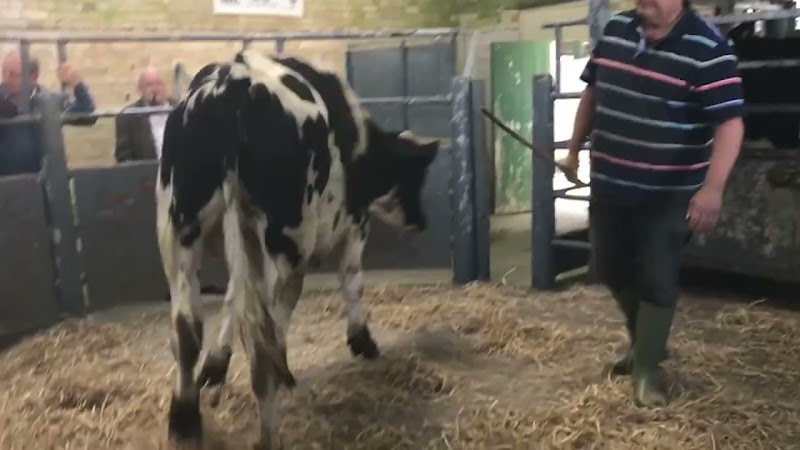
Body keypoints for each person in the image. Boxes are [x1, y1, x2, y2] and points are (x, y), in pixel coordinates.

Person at [559, 0, 745, 408]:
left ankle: (646, 371)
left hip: (669, 191)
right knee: (609, 268)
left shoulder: (708, 47)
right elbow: (594, 91)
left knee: (656, 277)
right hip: (611, 183)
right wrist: (574, 149)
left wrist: (712, 189)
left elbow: (729, 122)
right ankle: (644, 344)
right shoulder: (615, 32)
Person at [0, 50, 97, 176]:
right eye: (4, 72)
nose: (6, 79)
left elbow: (87, 114)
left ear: (33, 78)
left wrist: (77, 84)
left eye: (13, 74)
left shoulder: (48, 101)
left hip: (43, 184)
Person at [114, 65, 176, 162]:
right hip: (147, 173)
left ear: (164, 86)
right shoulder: (127, 116)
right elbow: (124, 156)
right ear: (140, 90)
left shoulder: (180, 108)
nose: (154, 89)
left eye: (158, 84)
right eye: (149, 85)